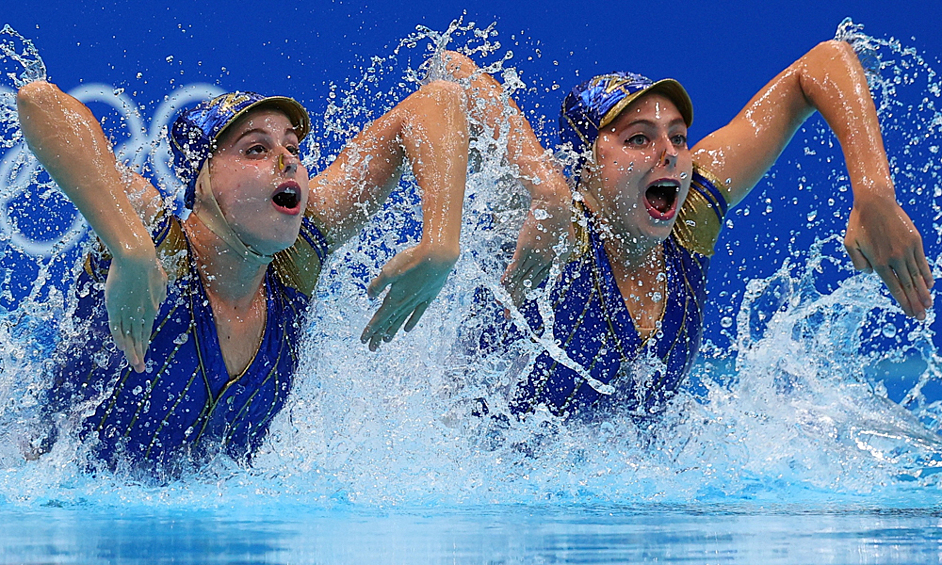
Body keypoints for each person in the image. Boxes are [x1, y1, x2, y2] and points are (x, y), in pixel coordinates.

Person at [444, 39, 934, 420]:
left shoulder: (690, 217)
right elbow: (450, 73)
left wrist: (874, 192)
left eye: (678, 137)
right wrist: (547, 193)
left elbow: (821, 65)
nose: (671, 155)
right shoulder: (553, 230)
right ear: (585, 163)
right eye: (639, 138)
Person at [16, 78, 476, 471]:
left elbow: (436, 101)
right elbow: (40, 102)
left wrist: (440, 243)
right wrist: (131, 251)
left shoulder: (295, 264)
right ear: (201, 180)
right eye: (256, 149)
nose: (287, 160)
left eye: (293, 148)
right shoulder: (158, 248)